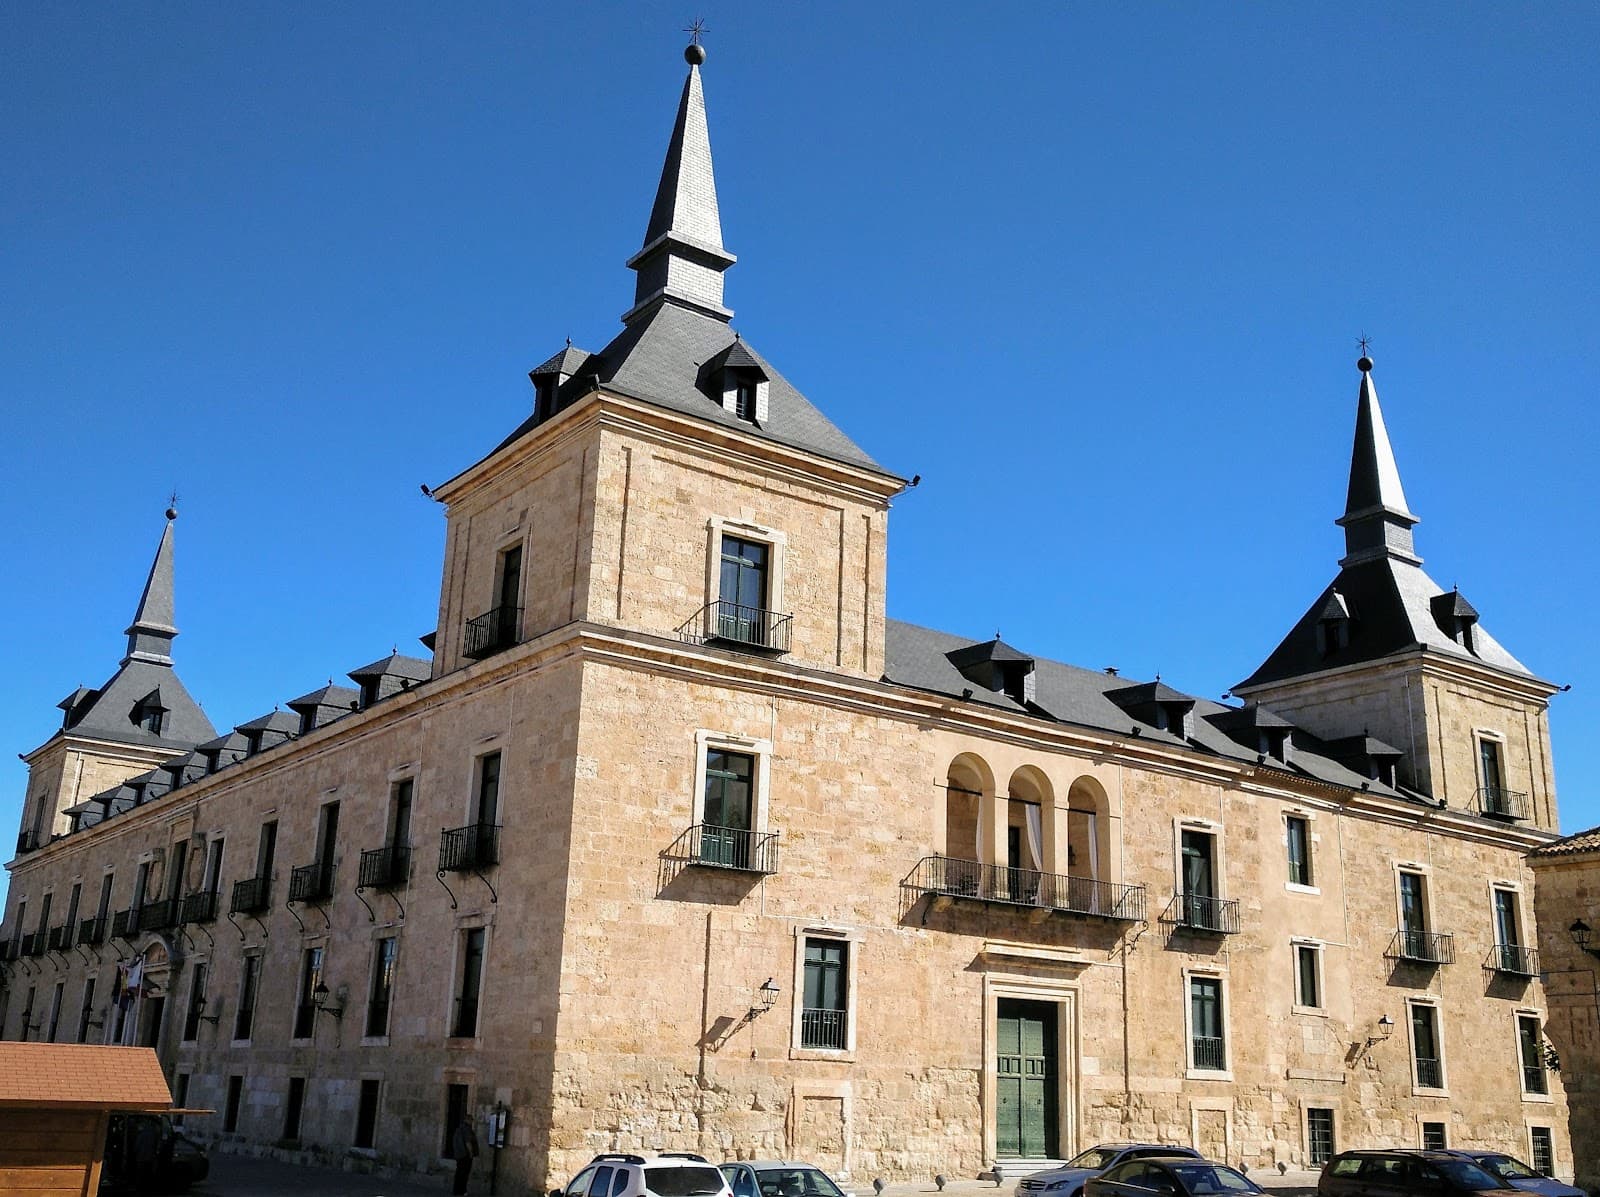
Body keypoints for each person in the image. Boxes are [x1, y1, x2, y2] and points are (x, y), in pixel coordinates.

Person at [451, 1113, 480, 1195]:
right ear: (467, 1120)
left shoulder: (459, 1129)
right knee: (464, 1174)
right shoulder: (467, 1129)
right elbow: (468, 1142)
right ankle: (462, 1191)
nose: (472, 1122)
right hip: (465, 1155)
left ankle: (456, 1190)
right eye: (471, 1120)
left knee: (459, 1173)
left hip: (459, 1155)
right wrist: (471, 1153)